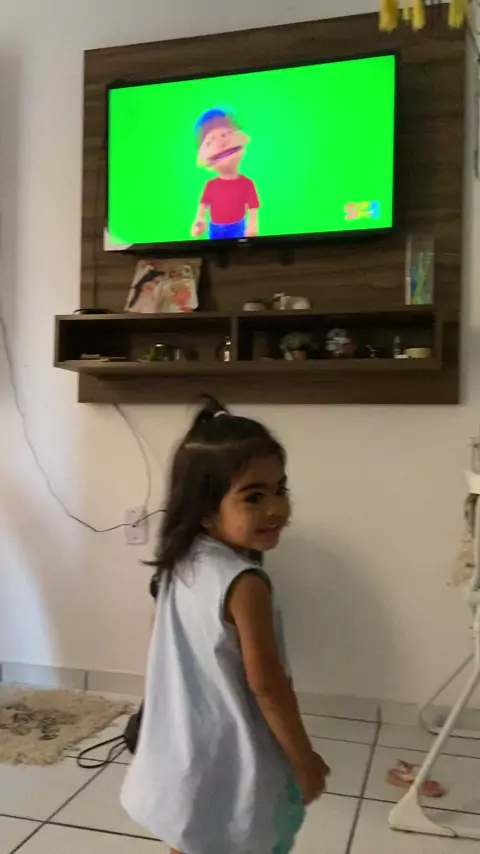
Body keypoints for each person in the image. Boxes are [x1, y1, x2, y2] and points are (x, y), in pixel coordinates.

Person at [121, 396, 329, 854]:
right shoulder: (244, 583)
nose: (276, 509)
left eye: (280, 489)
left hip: (182, 743)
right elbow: (268, 685)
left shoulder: (179, 563)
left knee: (190, 834)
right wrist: (304, 758)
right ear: (205, 509)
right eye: (254, 496)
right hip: (232, 748)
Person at [191, 108, 260, 241]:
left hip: (237, 228)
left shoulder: (247, 183)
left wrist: (253, 225)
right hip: (215, 228)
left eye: (227, 134)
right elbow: (204, 203)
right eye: (209, 142)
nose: (222, 142)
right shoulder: (211, 185)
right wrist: (200, 219)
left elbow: (253, 207)